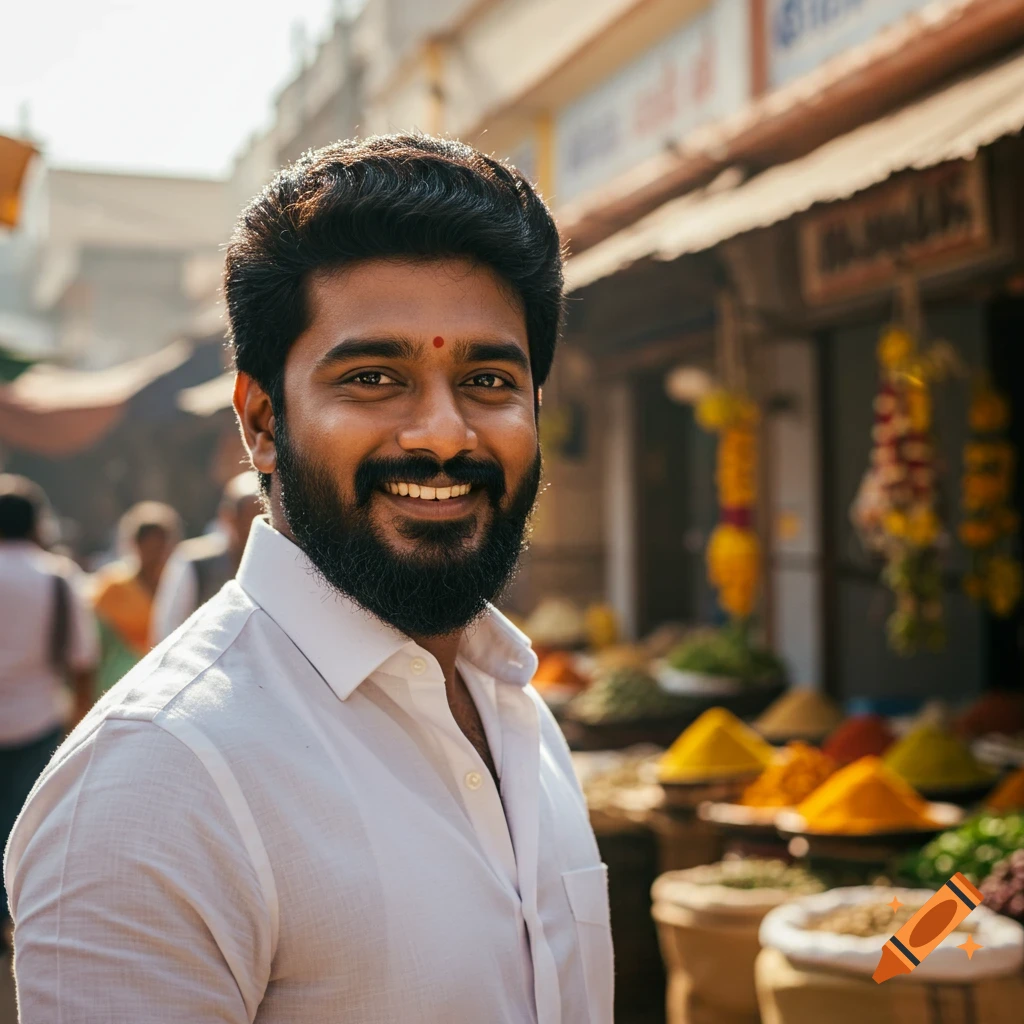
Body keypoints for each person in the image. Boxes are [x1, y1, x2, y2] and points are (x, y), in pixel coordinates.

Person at [5, 134, 612, 1024]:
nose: (444, 434)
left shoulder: (515, 709)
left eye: (487, 379)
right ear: (260, 422)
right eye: (374, 378)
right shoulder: (156, 785)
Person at [0, 475, 98, 945]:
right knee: (28, 829)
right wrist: (78, 727)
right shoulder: (58, 577)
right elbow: (83, 661)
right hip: (40, 724)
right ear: (37, 523)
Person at [149, 471, 262, 642]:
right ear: (228, 517)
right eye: (249, 517)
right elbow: (167, 630)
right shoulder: (194, 562)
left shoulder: (277, 565)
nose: (256, 526)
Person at [91, 501, 181, 694]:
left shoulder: (180, 586)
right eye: (149, 544)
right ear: (135, 544)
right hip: (116, 688)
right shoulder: (112, 587)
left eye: (162, 545)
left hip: (166, 688)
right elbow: (94, 647)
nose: (156, 553)